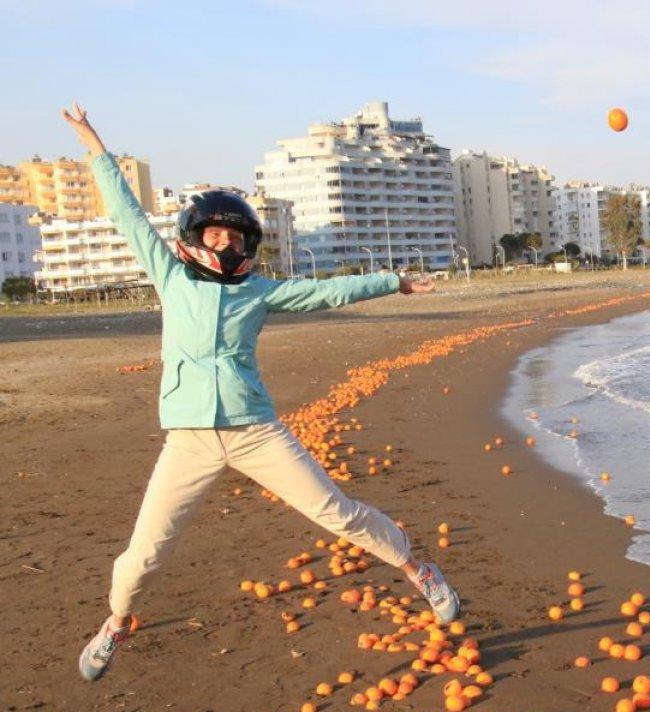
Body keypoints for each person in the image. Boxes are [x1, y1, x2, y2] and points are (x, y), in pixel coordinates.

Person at [64, 103, 460, 680]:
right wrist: (94, 144)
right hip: (190, 440)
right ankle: (117, 622)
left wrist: (393, 281)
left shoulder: (258, 291)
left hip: (255, 431)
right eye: (214, 233)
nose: (223, 244)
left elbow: (327, 293)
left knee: (337, 513)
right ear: (195, 238)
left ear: (246, 242)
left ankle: (417, 569)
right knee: (145, 553)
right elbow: (126, 213)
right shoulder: (170, 277)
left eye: (232, 235)